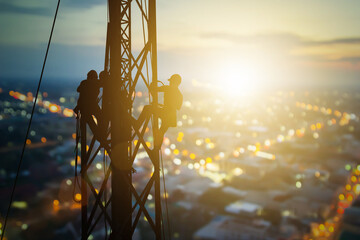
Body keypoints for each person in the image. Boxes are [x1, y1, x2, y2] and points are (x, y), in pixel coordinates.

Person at [136, 74, 183, 148]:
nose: (170, 83)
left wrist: (152, 86)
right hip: (170, 117)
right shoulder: (179, 94)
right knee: (161, 133)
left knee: (147, 108)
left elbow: (155, 89)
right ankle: (157, 148)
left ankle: (137, 124)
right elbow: (177, 107)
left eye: (171, 82)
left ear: (174, 82)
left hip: (165, 113)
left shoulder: (168, 88)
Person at [74, 70, 104, 142]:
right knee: (101, 118)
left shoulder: (84, 83)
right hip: (91, 106)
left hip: (84, 107)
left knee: (91, 120)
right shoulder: (95, 83)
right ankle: (100, 135)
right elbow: (104, 83)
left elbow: (79, 90)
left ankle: (99, 136)